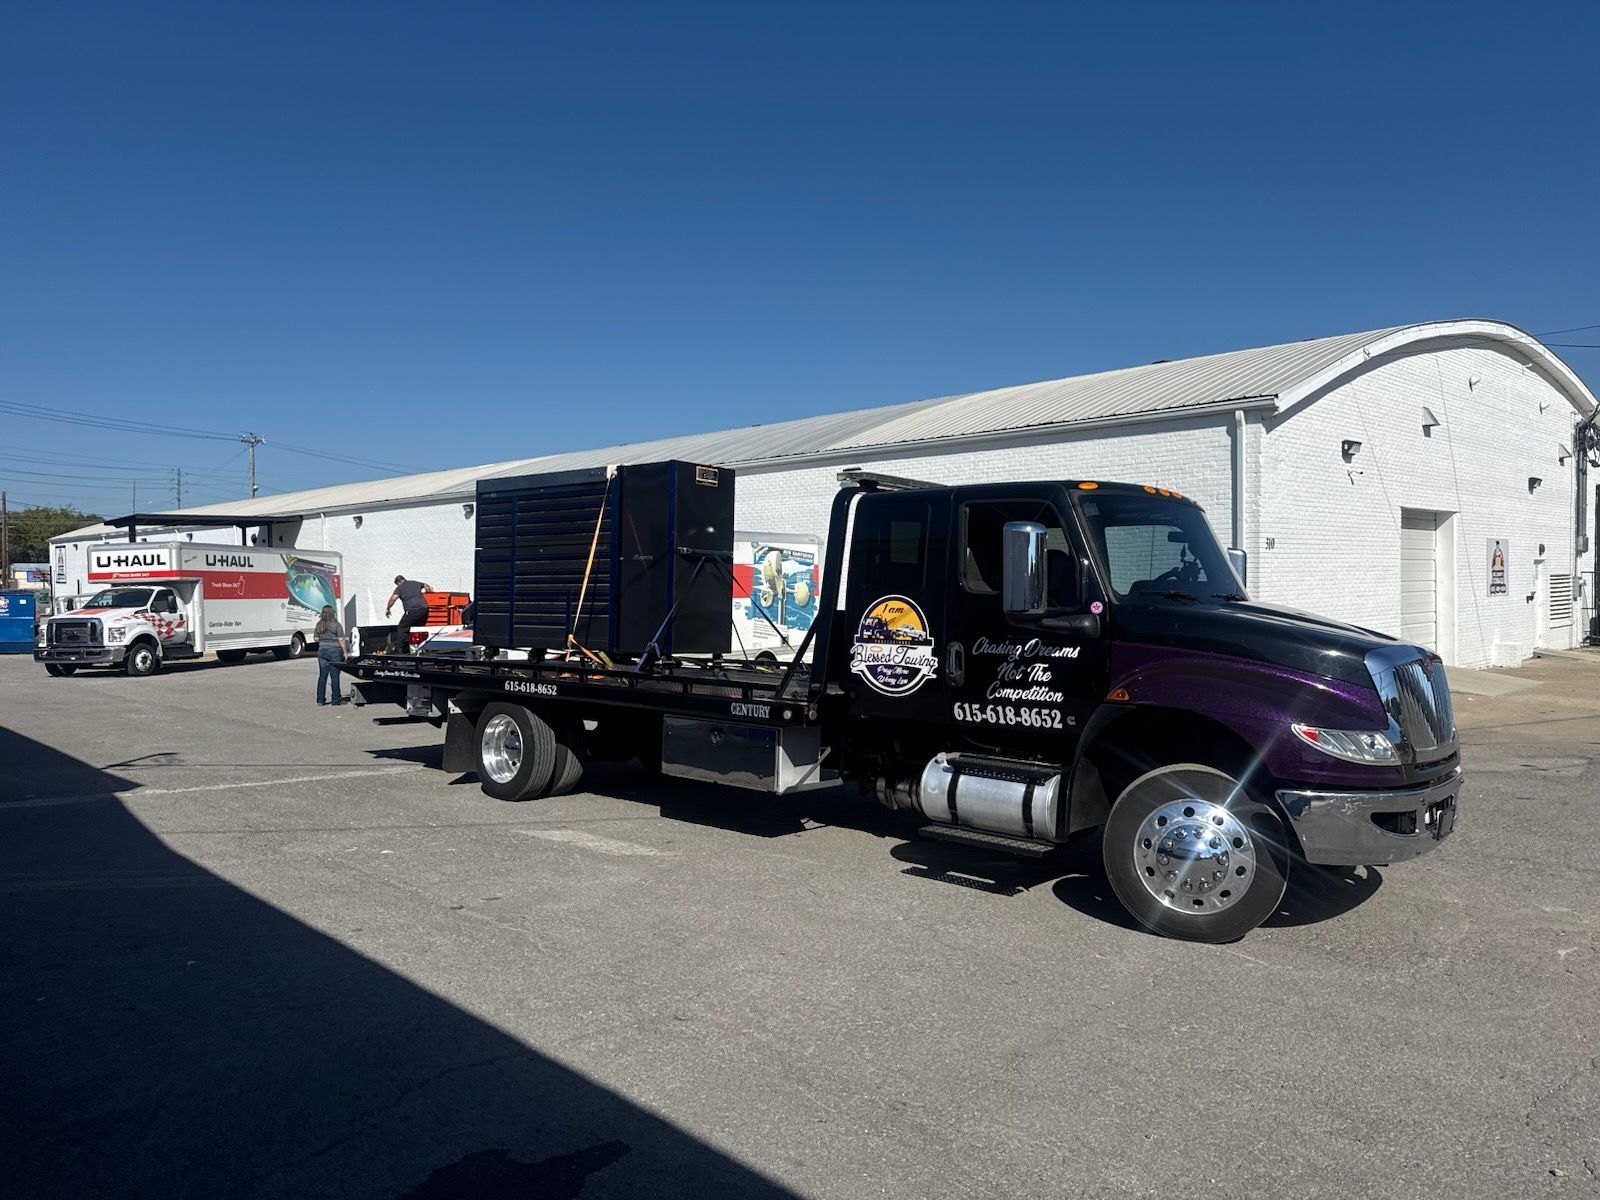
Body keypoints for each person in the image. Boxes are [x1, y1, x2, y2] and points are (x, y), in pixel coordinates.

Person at [385, 574, 432, 653]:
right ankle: (420, 650)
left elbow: (393, 598)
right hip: (424, 610)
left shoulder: (400, 587)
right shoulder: (415, 583)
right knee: (418, 629)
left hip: (412, 611)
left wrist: (388, 608)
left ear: (398, 582)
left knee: (402, 629)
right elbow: (426, 585)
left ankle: (399, 650)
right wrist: (429, 590)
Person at [314, 605, 348, 706]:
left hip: (322, 652)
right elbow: (341, 639)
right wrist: (345, 652)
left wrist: (323, 641)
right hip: (335, 652)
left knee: (322, 676)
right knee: (334, 677)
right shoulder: (336, 625)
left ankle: (320, 700)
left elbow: (316, 638)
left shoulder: (319, 624)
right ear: (332, 613)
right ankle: (335, 700)